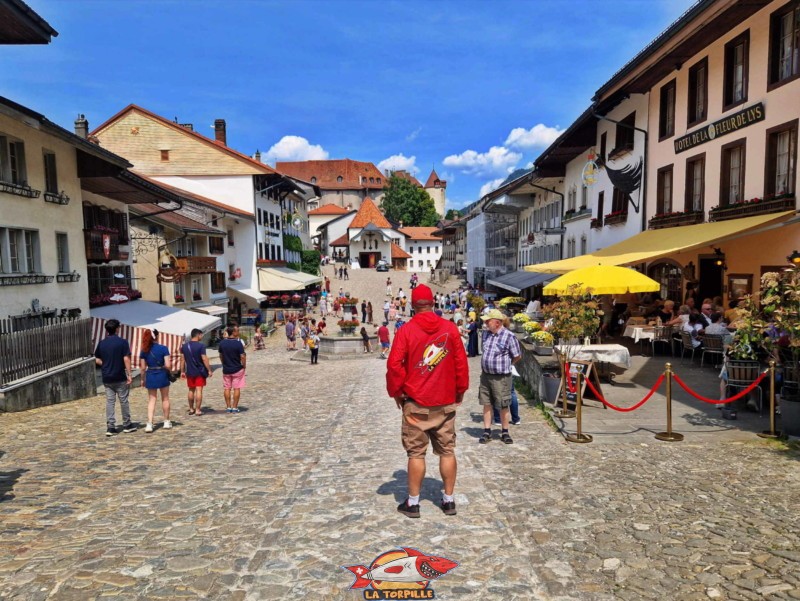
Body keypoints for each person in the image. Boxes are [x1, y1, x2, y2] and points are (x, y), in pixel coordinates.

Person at [386, 284, 469, 518]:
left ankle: (413, 503)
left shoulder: (406, 331)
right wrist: (460, 390)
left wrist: (397, 392)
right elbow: (460, 364)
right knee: (447, 451)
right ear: (433, 303)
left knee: (416, 454)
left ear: (413, 305)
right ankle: (448, 500)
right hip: (444, 402)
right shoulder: (450, 329)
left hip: (416, 403)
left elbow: (394, 365)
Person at [478, 309, 521, 445]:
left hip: (501, 377)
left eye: (488, 321)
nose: (485, 323)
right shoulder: (486, 334)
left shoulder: (509, 336)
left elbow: (517, 355)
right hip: (486, 375)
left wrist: (506, 364)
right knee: (486, 403)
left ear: (497, 323)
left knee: (503, 404)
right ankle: (487, 431)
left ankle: (505, 432)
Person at [94, 318, 136, 436]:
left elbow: (96, 359)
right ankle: (127, 424)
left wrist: (106, 364)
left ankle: (111, 427)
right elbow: (126, 358)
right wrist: (129, 374)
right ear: (117, 329)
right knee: (123, 400)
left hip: (107, 376)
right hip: (119, 375)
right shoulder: (122, 342)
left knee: (110, 402)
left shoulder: (102, 343)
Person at [139, 329, 173, 433]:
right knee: (165, 398)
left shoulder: (144, 350)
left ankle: (149, 423)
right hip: (162, 374)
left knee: (152, 400)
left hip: (151, 375)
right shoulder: (163, 348)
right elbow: (168, 365)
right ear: (157, 337)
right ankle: (166, 421)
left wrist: (142, 379)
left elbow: (143, 368)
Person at [180, 328, 212, 416]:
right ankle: (198, 410)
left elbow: (182, 359)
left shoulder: (184, 346)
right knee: (199, 390)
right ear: (198, 335)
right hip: (199, 372)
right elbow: (204, 358)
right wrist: (209, 370)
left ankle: (191, 409)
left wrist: (182, 371)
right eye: (201, 335)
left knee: (191, 390)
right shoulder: (201, 346)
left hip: (189, 371)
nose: (202, 337)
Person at [219, 324, 246, 413]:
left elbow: (221, 355)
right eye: (236, 331)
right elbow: (242, 356)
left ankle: (228, 407)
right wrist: (244, 365)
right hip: (237, 368)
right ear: (233, 332)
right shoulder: (238, 343)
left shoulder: (222, 343)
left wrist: (223, 363)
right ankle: (234, 407)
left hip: (226, 369)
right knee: (236, 388)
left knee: (227, 388)